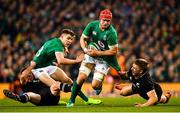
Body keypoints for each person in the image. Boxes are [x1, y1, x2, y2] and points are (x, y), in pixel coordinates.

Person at [67, 9, 121, 107]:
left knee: (94, 85)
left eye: (108, 21)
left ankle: (98, 86)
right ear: (100, 19)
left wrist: (98, 53)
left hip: (103, 58)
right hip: (91, 53)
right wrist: (85, 50)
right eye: (104, 20)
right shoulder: (92, 25)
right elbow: (83, 38)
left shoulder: (112, 33)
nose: (106, 22)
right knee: (81, 78)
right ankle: (71, 100)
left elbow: (114, 51)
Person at [3, 67, 102, 106]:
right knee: (30, 94)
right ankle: (19, 98)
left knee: (54, 86)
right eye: (25, 76)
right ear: (22, 77)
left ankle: (73, 89)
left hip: (52, 97)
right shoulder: (24, 83)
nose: (28, 77)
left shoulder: (39, 75)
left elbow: (53, 80)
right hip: (40, 100)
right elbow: (22, 78)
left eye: (29, 74)